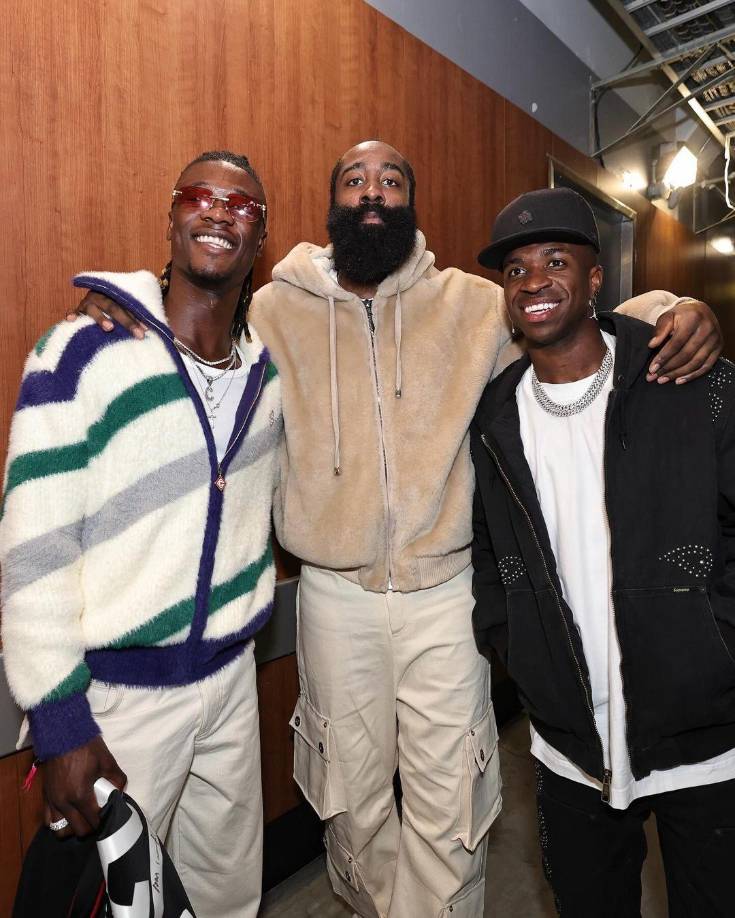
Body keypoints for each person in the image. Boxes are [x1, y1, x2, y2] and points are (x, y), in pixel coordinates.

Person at [73, 141, 722, 918]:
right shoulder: (274, 309)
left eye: (391, 180)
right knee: (348, 795)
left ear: (410, 204)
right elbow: (194, 312)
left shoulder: (473, 303)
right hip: (331, 597)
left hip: (442, 592)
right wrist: (113, 299)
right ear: (330, 204)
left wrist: (675, 310)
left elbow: (572, 320)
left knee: (452, 796)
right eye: (354, 179)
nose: (372, 192)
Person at [1, 150, 281, 918]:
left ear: (261, 242)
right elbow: (34, 551)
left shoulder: (268, 379)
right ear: (171, 217)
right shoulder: (82, 352)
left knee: (226, 901)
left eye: (244, 206)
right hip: (118, 705)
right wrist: (58, 724)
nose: (220, 211)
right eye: (201, 196)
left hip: (230, 687)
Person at [471, 186, 735, 918]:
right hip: (568, 745)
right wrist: (514, 647)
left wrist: (719, 639)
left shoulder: (681, 377)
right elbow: (492, 558)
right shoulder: (494, 417)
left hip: (701, 737)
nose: (533, 282)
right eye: (516, 269)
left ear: (594, 280)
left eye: (556, 261)